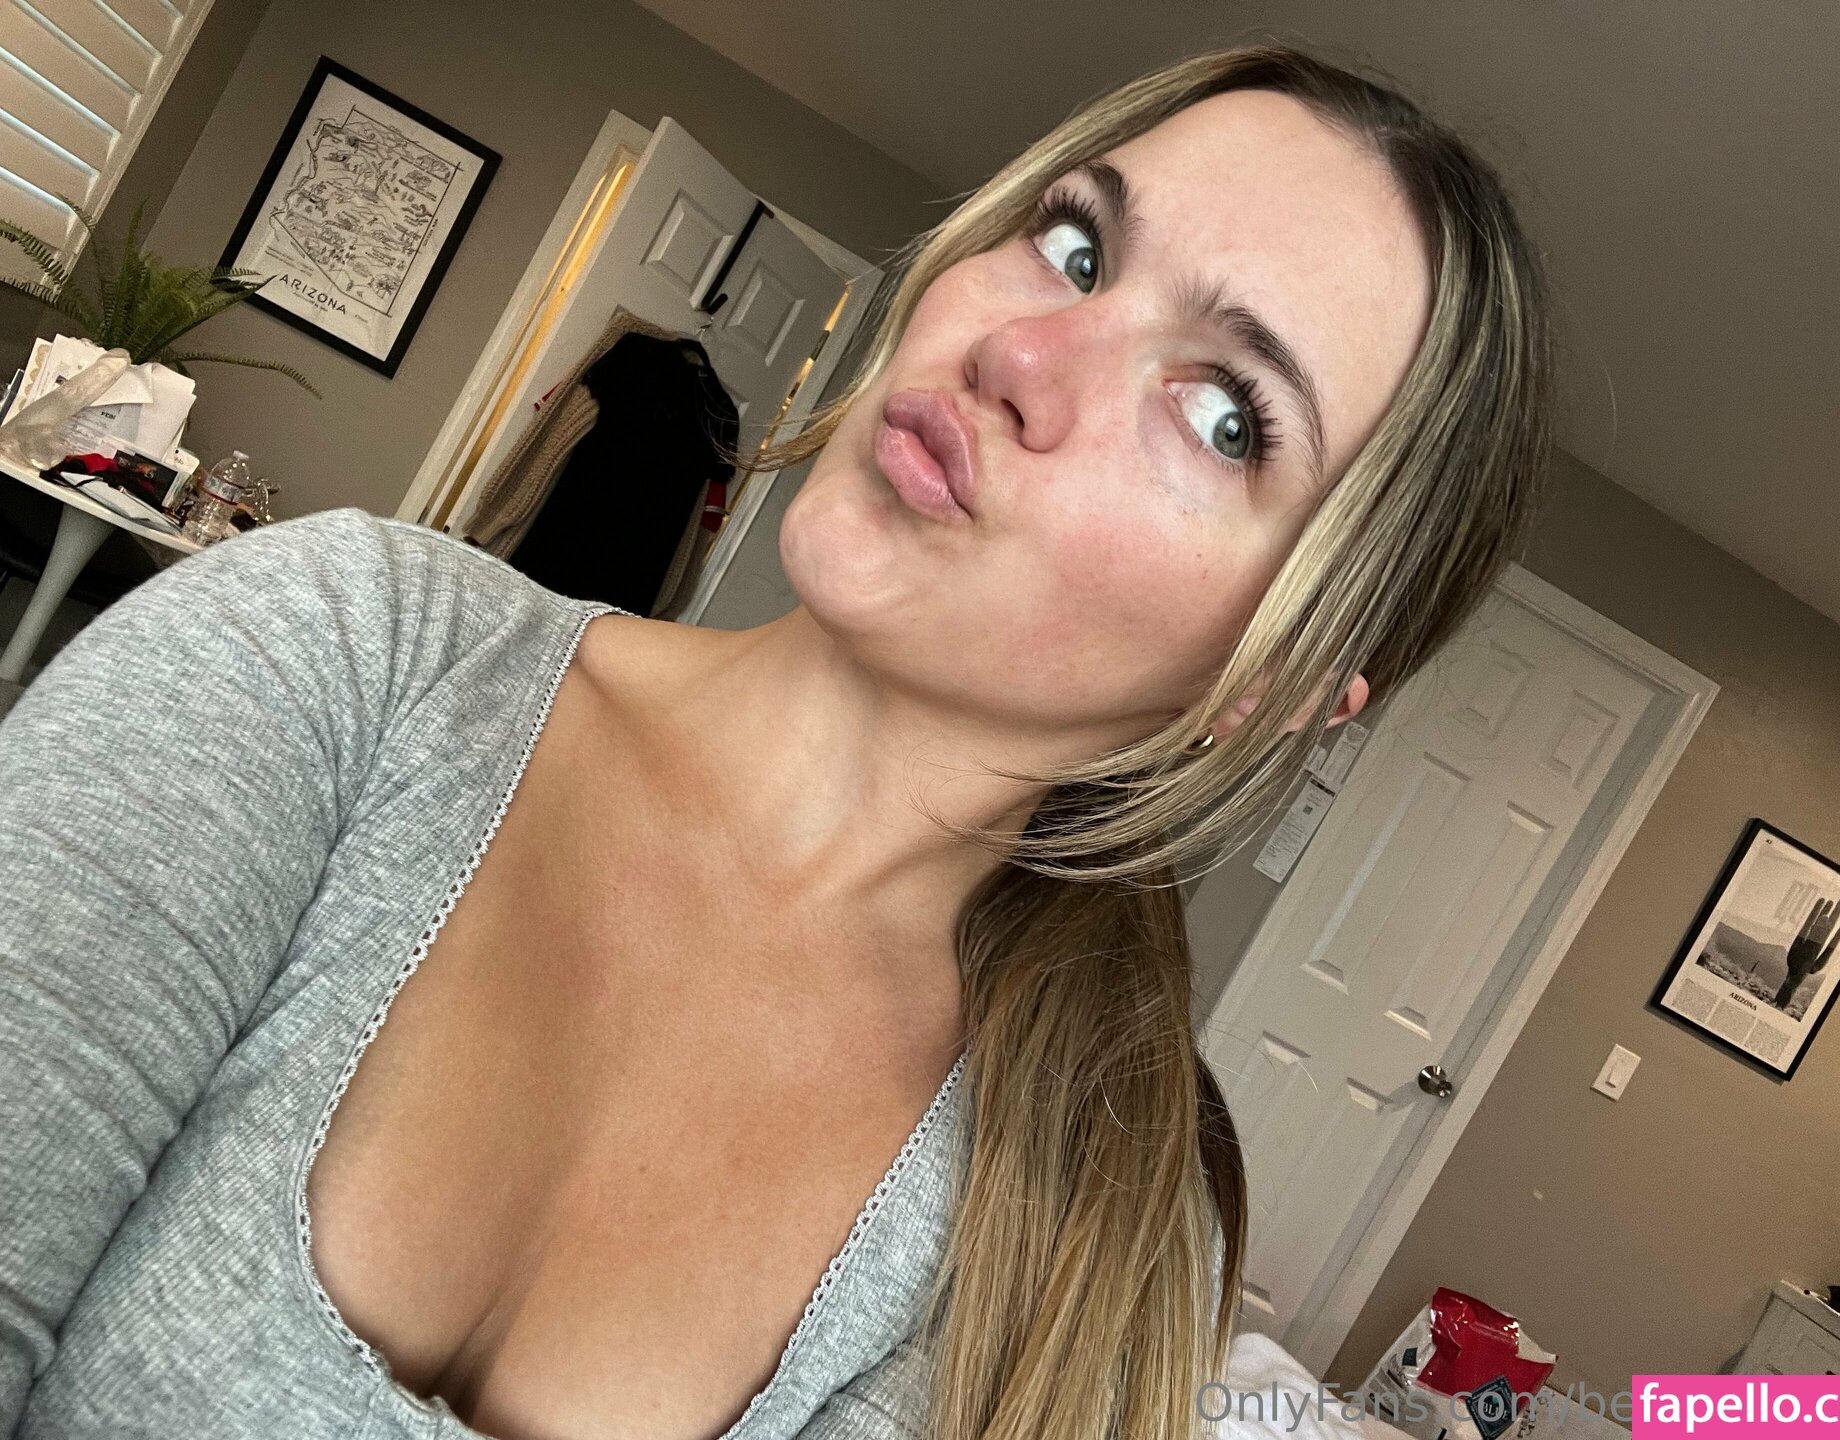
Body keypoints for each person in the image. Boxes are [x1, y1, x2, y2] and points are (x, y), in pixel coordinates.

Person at [0, 38, 1552, 1440]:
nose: (1020, 359)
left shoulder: (1094, 1230)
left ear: (1283, 678)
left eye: (1224, 415)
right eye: (1074, 246)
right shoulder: (343, 652)